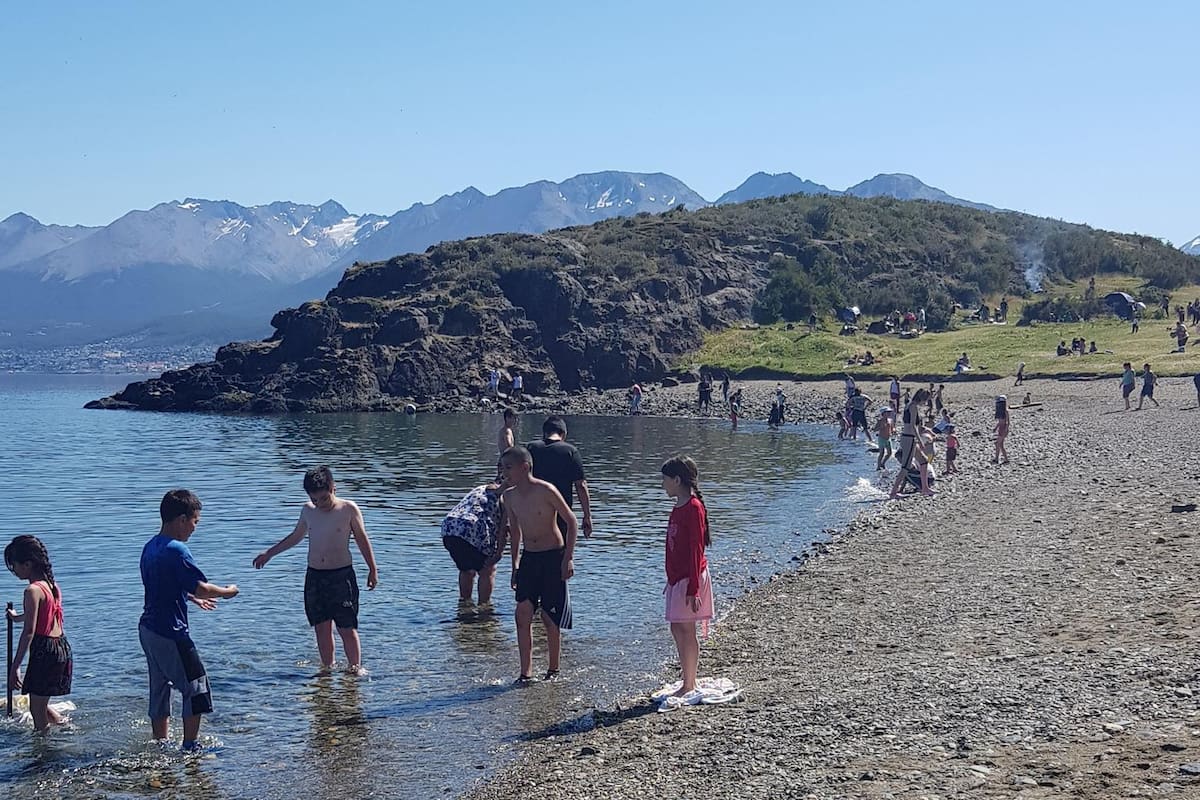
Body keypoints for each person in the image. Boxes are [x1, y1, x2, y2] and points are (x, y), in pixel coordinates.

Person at [252, 467, 379, 674]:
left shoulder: (348, 509)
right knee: (321, 627)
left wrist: (372, 569)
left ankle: (355, 669)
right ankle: (327, 669)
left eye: (323, 498)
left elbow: (362, 540)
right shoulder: (308, 511)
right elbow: (295, 537)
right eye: (314, 499)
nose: (319, 504)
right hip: (315, 576)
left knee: (346, 627)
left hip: (341, 576)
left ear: (333, 488)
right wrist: (269, 553)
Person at [140, 490, 239, 751]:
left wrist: (191, 600)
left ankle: (160, 743)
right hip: (170, 631)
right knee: (197, 686)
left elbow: (165, 585)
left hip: (148, 629)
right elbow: (201, 587)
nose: (195, 528)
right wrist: (227, 592)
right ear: (182, 519)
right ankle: (190, 747)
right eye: (195, 521)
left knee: (160, 687)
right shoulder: (177, 550)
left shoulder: (151, 546)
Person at [501, 446, 578, 682]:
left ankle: (553, 670)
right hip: (529, 558)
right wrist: (514, 565)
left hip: (553, 556)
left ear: (524, 467)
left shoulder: (546, 490)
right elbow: (514, 532)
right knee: (522, 613)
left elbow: (572, 522)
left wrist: (568, 558)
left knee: (548, 616)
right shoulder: (510, 496)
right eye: (502, 468)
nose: (504, 473)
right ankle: (526, 672)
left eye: (508, 468)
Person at [659, 456, 714, 706]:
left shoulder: (693, 508)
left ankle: (689, 682)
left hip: (689, 578)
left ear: (677, 480)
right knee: (675, 626)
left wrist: (693, 588)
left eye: (665, 480)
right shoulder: (678, 507)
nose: (663, 485)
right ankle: (687, 677)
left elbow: (695, 550)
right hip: (677, 579)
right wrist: (670, 579)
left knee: (686, 628)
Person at [4, 535, 72, 731]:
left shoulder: (32, 590)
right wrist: (16, 617)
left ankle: (43, 748)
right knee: (40, 701)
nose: (14, 571)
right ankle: (66, 727)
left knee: (36, 708)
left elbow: (29, 632)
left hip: (45, 651)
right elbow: (39, 615)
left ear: (27, 564)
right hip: (61, 647)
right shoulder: (51, 586)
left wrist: (15, 666)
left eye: (14, 565)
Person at [441, 478, 509, 604]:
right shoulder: (509, 497)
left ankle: (464, 604)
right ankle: (484, 608)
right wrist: (498, 553)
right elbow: (504, 529)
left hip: (450, 528)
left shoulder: (481, 488)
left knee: (466, 569)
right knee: (488, 569)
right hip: (473, 529)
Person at [527, 416, 593, 540]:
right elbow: (581, 485)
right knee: (561, 553)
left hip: (533, 512)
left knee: (534, 550)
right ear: (563, 434)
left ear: (544, 433)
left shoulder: (531, 449)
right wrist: (587, 516)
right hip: (561, 513)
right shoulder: (570, 451)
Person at [889, 388, 930, 499]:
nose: (925, 403)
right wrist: (920, 441)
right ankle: (893, 492)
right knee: (906, 466)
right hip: (909, 438)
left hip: (909, 437)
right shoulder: (913, 407)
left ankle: (925, 488)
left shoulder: (908, 405)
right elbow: (913, 425)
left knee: (923, 460)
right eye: (925, 400)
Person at [992, 395, 1011, 464]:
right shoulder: (1000, 411)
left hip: (1003, 429)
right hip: (1000, 428)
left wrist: (1006, 429)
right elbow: (1000, 422)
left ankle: (998, 459)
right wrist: (995, 428)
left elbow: (1007, 422)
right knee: (1000, 445)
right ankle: (1004, 459)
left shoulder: (1005, 411)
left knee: (997, 443)